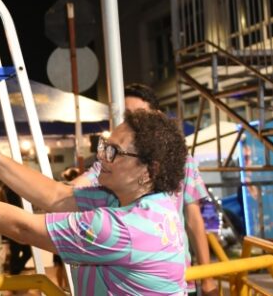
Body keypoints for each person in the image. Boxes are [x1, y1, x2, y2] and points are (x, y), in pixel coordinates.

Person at [0, 110, 189, 295]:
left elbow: (24, 229)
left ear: (148, 170)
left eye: (114, 151)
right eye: (103, 144)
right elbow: (56, 196)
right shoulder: (155, 204)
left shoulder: (123, 227)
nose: (101, 155)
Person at [71, 83, 216, 295]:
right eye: (127, 115)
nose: (131, 122)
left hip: (174, 271)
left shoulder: (183, 160)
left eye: (137, 114)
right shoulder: (116, 159)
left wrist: (208, 277)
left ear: (156, 116)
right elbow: (79, 183)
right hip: (128, 269)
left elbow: (194, 218)